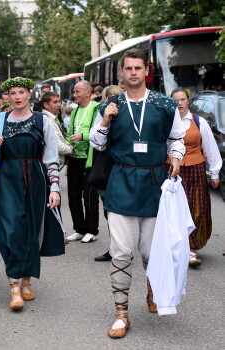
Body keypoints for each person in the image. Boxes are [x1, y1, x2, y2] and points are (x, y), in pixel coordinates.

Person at [90, 48, 185, 338]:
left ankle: (152, 287)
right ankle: (121, 315)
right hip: (120, 182)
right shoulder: (110, 104)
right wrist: (105, 120)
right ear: (122, 73)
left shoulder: (165, 105)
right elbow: (96, 142)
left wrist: (177, 158)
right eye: (128, 68)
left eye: (137, 68)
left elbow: (177, 138)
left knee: (149, 251)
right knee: (121, 252)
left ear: (146, 71)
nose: (133, 73)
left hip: (155, 182)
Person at [0, 77, 64, 311]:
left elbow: (52, 157)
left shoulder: (42, 120)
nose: (17, 97)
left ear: (29, 94)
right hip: (6, 180)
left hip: (34, 178)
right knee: (10, 230)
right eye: (12, 93)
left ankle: (26, 281)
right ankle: (14, 286)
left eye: (21, 92)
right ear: (8, 97)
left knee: (32, 230)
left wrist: (54, 188)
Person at [170, 87, 222, 267]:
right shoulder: (166, 122)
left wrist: (214, 172)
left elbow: (210, 148)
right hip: (172, 170)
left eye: (182, 99)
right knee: (174, 210)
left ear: (188, 101)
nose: (179, 103)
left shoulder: (199, 122)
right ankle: (176, 246)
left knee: (196, 209)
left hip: (195, 170)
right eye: (175, 100)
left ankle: (191, 248)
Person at [65, 80, 100, 243]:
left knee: (89, 196)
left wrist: (83, 136)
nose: (75, 94)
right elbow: (70, 131)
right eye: (74, 91)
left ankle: (92, 230)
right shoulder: (74, 110)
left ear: (88, 92)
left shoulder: (96, 108)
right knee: (73, 195)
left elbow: (99, 132)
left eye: (78, 91)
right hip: (74, 157)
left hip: (89, 158)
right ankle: (79, 229)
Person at [93, 85, 123, 262]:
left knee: (111, 211)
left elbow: (97, 141)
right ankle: (119, 246)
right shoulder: (129, 113)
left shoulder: (103, 113)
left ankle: (116, 248)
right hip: (125, 165)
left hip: (108, 165)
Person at [41, 91, 73, 177]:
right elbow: (56, 145)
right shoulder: (47, 120)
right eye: (55, 102)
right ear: (46, 105)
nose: (59, 105)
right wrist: (70, 149)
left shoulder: (51, 118)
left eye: (59, 101)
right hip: (50, 166)